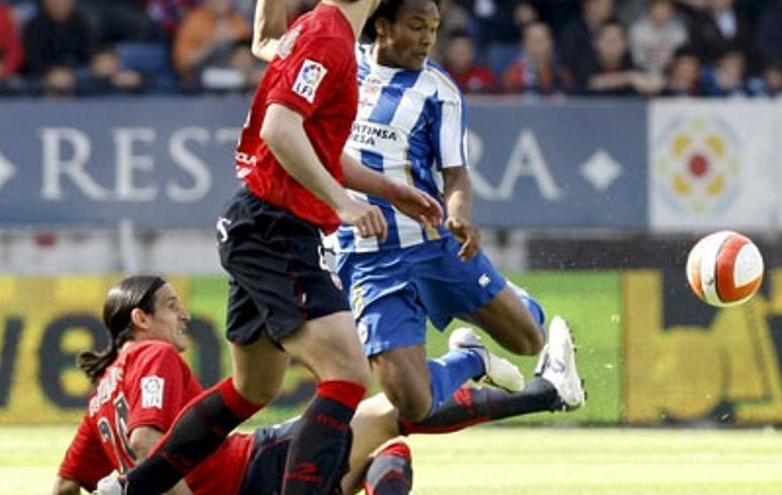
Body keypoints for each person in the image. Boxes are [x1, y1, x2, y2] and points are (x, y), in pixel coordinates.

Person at [98, 0, 444, 493]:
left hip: (259, 223)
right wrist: (343, 204)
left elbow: (307, 130)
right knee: (345, 372)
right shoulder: (327, 35)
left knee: (252, 387)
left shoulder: (326, 32)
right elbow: (279, 128)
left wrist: (389, 190)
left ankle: (137, 487)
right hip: (276, 226)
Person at [249, 2, 585, 490]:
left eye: (433, 28)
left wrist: (459, 212)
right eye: (416, 26)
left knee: (528, 340)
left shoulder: (439, 91)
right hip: (367, 259)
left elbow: (456, 173)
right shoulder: (335, 57)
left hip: (431, 243)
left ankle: (507, 309)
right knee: (413, 402)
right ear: (381, 25)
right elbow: (267, 39)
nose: (428, 37)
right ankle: (470, 358)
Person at [54, 275, 415, 495]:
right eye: (171, 306)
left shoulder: (99, 399)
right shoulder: (152, 353)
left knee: (374, 449)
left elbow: (65, 486)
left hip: (252, 477)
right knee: (394, 412)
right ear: (140, 318)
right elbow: (146, 441)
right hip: (254, 468)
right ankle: (469, 363)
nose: (185, 315)